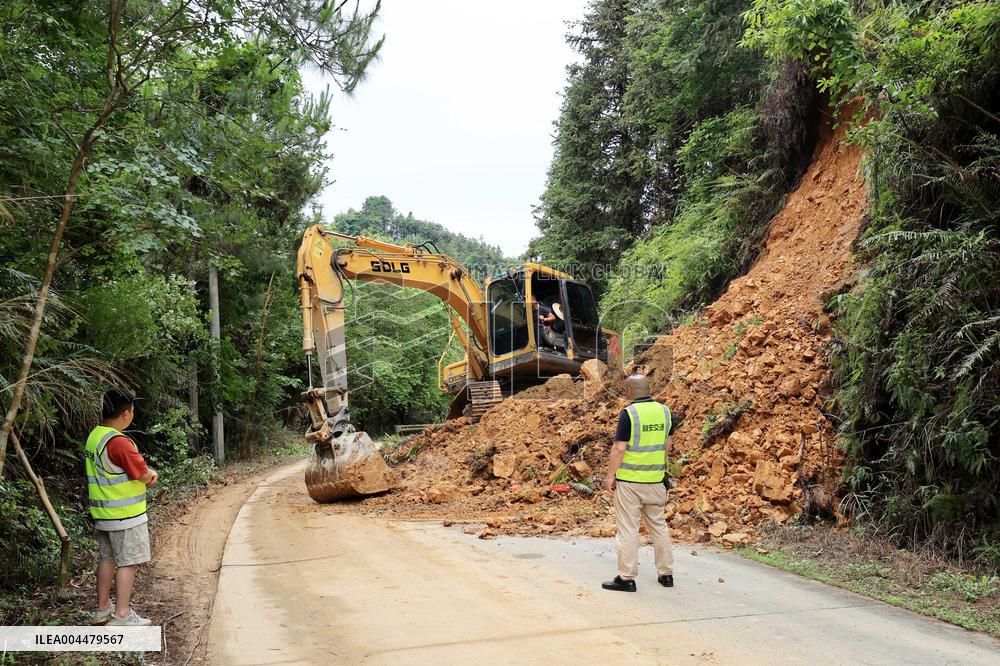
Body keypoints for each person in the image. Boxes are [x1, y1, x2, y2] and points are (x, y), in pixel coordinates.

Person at [86, 390, 158, 626]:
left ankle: (103, 609)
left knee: (106, 559)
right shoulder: (119, 443)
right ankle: (122, 615)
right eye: (132, 411)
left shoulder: (95, 436)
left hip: (103, 514)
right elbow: (142, 473)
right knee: (128, 562)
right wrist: (152, 476)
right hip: (125, 516)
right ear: (126, 414)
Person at [602, 374, 674, 591]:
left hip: (630, 483)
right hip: (655, 480)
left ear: (630, 391)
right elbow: (667, 444)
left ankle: (626, 578)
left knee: (628, 529)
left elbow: (619, 448)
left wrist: (610, 476)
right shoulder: (664, 411)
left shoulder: (629, 414)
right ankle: (666, 574)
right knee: (659, 527)